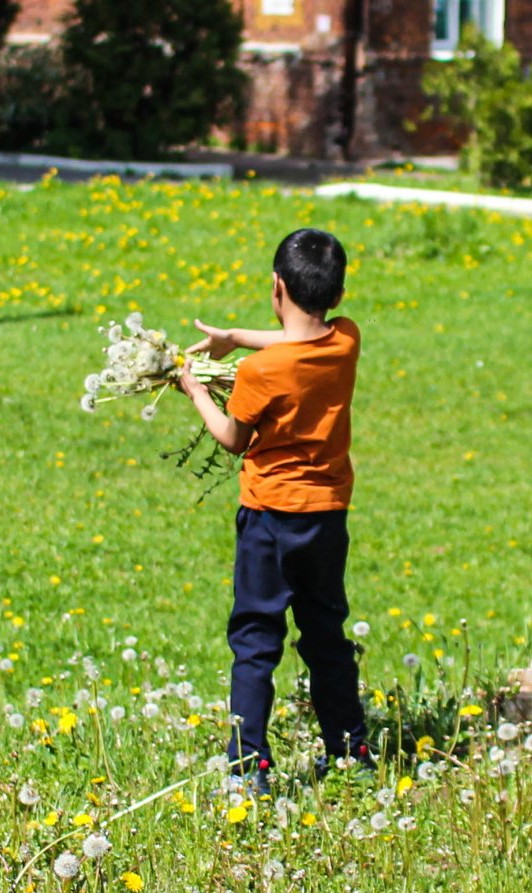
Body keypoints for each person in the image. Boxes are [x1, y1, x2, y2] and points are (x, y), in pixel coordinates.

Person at [178, 228, 374, 796]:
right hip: (326, 517)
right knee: (324, 633)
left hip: (269, 519)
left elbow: (233, 438)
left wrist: (194, 391)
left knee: (255, 637)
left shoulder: (260, 374)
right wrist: (237, 337)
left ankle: (250, 767)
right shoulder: (347, 340)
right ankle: (350, 749)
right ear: (336, 297)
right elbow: (298, 341)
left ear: (276, 287)